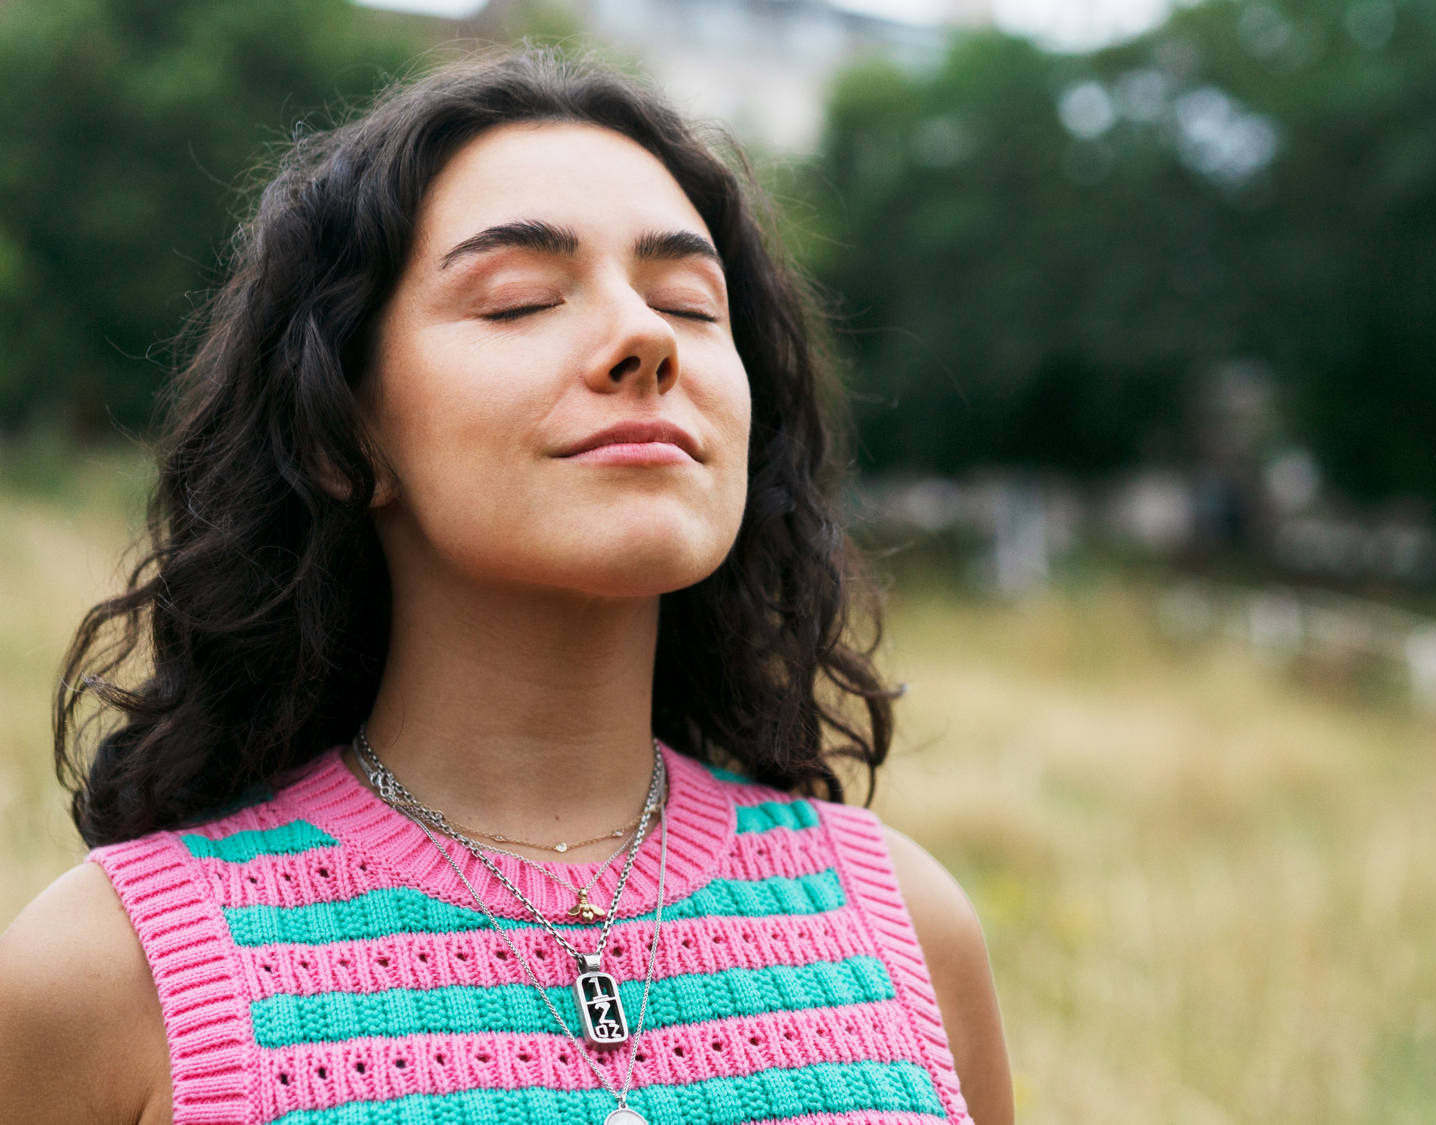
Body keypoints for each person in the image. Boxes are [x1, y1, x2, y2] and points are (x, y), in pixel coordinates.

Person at [0, 49, 1011, 1125]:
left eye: (688, 303)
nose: (644, 338)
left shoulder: (907, 930)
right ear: (341, 433)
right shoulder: (111, 978)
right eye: (520, 301)